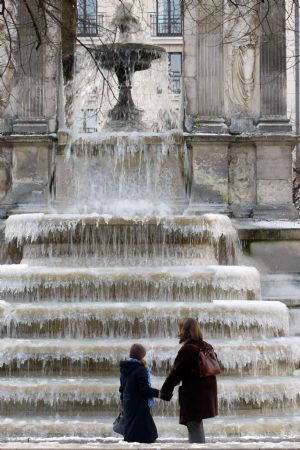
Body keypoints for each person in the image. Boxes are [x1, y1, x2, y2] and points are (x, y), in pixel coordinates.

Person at [159, 317, 218, 443]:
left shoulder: (188, 349)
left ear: (184, 331)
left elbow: (176, 373)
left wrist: (165, 392)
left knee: (193, 425)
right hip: (207, 392)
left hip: (194, 394)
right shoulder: (207, 346)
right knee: (196, 424)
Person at [119, 343, 160, 443]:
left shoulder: (124, 370)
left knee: (132, 436)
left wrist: (124, 403)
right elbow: (144, 390)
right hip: (139, 406)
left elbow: (122, 390)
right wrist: (160, 393)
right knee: (148, 436)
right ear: (141, 355)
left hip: (129, 405)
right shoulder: (140, 369)